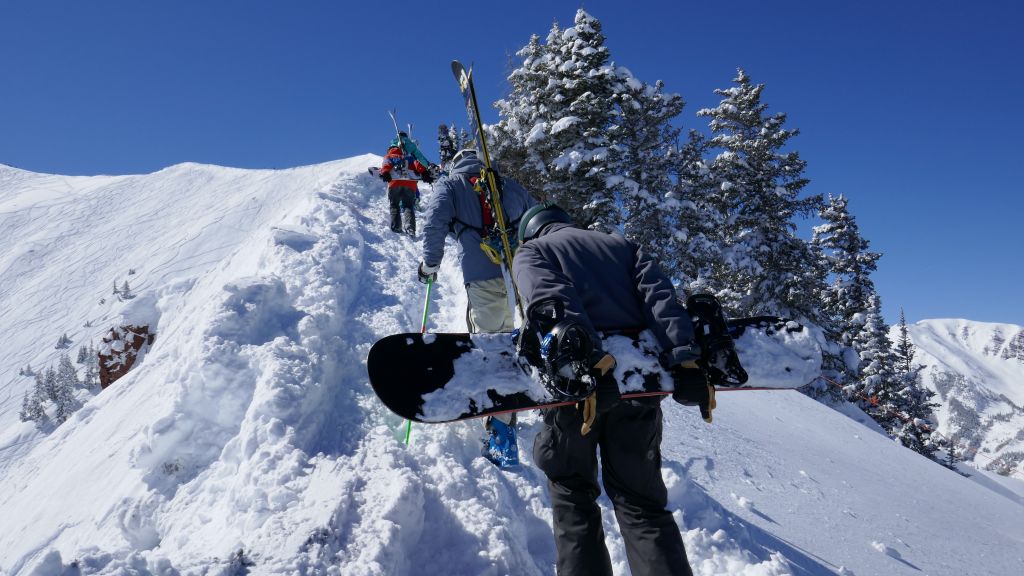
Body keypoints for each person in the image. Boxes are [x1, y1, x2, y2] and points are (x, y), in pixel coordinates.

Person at [511, 203, 714, 576]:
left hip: (579, 391)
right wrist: (684, 356)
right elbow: (661, 300)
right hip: (638, 385)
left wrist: (589, 364)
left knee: (573, 496)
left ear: (531, 231)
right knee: (642, 503)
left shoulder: (533, 251)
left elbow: (552, 301)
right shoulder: (623, 246)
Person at [417, 148, 536, 464]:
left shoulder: (451, 184)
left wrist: (430, 264)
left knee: (491, 347)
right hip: (519, 276)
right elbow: (539, 220)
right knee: (513, 340)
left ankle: (501, 438)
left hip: (482, 278)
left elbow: (434, 223)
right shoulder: (507, 184)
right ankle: (513, 408)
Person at [378, 140, 434, 236]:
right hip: (409, 184)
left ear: (390, 150)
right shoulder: (408, 157)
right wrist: (424, 173)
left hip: (394, 184)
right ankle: (410, 227)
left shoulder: (389, 156)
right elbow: (418, 165)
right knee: (408, 206)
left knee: (394, 205)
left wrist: (385, 172)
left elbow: (386, 165)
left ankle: (396, 226)